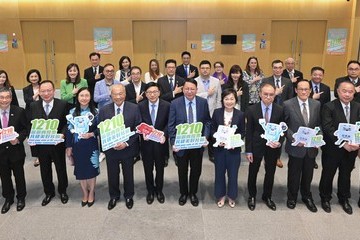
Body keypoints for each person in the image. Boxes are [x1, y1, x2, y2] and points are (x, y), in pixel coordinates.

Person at [168, 78, 211, 207]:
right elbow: (171, 125)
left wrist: (205, 137)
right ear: (183, 89)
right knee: (182, 170)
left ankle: (193, 193)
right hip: (181, 144)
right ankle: (183, 193)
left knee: (196, 170)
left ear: (197, 90)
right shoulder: (175, 103)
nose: (189, 91)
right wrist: (173, 142)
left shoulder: (203, 103)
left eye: (192, 89)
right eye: (187, 89)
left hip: (197, 144)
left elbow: (207, 122)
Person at [319, 81, 360, 215]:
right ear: (337, 91)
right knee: (328, 174)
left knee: (345, 174)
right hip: (333, 148)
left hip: (352, 149)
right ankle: (325, 198)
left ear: (354, 93)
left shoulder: (357, 106)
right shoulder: (329, 106)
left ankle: (344, 198)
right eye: (344, 91)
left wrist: (356, 143)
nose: (347, 94)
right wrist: (344, 144)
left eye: (350, 92)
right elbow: (328, 128)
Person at [98, 84, 141, 210]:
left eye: (120, 93)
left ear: (125, 94)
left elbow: (138, 128)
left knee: (128, 173)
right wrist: (108, 144)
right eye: (115, 94)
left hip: (128, 148)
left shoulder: (134, 108)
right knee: (112, 174)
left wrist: (126, 143)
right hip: (111, 149)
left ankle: (129, 195)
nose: (118, 97)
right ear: (110, 95)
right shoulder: (104, 110)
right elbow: (101, 129)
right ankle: (114, 196)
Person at [283, 79, 321, 212]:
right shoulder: (287, 104)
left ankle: (306, 196)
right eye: (301, 89)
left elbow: (318, 125)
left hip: (311, 148)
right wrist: (294, 138)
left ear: (310, 90)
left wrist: (317, 139)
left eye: (306, 89)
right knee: (294, 173)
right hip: (295, 147)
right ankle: (292, 197)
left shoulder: (316, 104)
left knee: (308, 174)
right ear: (296, 90)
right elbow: (284, 125)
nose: (304, 91)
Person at [245, 83, 284, 211]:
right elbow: (249, 131)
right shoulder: (252, 110)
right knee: (253, 171)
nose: (268, 97)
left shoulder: (280, 109)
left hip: (272, 146)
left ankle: (267, 196)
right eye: (265, 94)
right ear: (260, 94)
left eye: (271, 94)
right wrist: (248, 150)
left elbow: (282, 129)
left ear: (274, 95)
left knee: (270, 171)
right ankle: (252, 195)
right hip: (256, 145)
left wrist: (279, 142)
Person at [30, 80, 69, 206]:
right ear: (39, 92)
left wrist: (62, 134)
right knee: (44, 169)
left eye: (49, 90)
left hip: (57, 144)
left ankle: (63, 191)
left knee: (61, 168)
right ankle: (49, 192)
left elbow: (67, 123)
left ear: (53, 91)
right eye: (43, 91)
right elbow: (31, 124)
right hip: (42, 145)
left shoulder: (62, 104)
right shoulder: (34, 106)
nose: (46, 93)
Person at [65, 87, 99, 207]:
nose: (84, 98)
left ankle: (92, 193)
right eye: (81, 95)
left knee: (91, 170)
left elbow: (100, 128)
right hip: (77, 146)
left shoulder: (96, 111)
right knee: (81, 171)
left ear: (90, 98)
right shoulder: (72, 112)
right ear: (77, 97)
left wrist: (92, 133)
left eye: (87, 96)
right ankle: (85, 192)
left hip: (91, 145)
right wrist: (68, 147)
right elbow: (68, 130)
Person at [211, 88, 245, 208]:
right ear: (222, 100)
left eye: (232, 99)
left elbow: (242, 132)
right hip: (220, 150)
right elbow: (212, 129)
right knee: (219, 173)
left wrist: (233, 141)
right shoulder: (217, 112)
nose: (229, 101)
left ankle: (231, 196)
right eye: (226, 99)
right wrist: (217, 139)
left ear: (235, 100)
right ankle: (220, 195)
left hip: (233, 150)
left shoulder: (240, 114)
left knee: (233, 174)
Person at [138, 82, 170, 204]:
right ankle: (150, 191)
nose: (152, 95)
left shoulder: (166, 105)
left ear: (159, 92)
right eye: (149, 92)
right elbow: (138, 122)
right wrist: (142, 133)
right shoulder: (140, 106)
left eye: (155, 92)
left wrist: (164, 135)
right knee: (148, 169)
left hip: (161, 144)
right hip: (146, 144)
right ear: (145, 94)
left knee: (160, 168)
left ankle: (159, 190)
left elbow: (169, 123)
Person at [0, 88, 27, 214]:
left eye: (7, 97)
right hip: (1, 152)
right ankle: (8, 198)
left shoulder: (19, 111)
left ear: (11, 98)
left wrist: (18, 139)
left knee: (19, 175)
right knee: (4, 177)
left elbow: (25, 129)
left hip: (16, 150)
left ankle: (21, 198)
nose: (4, 100)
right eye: (2, 97)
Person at [263, 59, 293, 168]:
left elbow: (291, 98)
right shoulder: (266, 81)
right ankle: (267, 157)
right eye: (275, 67)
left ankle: (277, 157)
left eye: (280, 67)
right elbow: (262, 98)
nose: (278, 70)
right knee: (269, 134)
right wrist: (275, 93)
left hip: (283, 112)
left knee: (280, 135)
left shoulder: (288, 81)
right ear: (272, 68)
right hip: (269, 111)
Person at [195, 60, 222, 162]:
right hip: (200, 112)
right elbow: (193, 96)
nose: (205, 70)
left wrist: (218, 112)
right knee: (201, 133)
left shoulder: (216, 81)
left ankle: (212, 155)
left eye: (207, 68)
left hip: (214, 111)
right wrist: (206, 93)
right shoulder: (195, 81)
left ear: (210, 69)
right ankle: (198, 153)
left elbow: (219, 98)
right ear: (200, 69)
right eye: (203, 68)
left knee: (213, 134)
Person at [309, 66, 331, 170]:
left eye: (320, 75)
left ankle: (313, 159)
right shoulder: (305, 85)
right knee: (308, 138)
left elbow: (328, 105)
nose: (317, 76)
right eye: (315, 74)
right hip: (308, 117)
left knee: (317, 139)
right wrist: (312, 98)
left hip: (321, 118)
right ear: (311, 75)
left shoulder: (326, 88)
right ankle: (310, 160)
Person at [23, 69, 42, 167]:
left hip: (42, 113)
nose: (34, 78)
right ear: (29, 78)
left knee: (43, 133)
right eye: (32, 77)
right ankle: (37, 157)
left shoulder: (43, 86)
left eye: (35, 76)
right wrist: (35, 95)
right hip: (30, 114)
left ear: (39, 77)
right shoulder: (26, 89)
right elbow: (27, 101)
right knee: (33, 135)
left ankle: (45, 154)